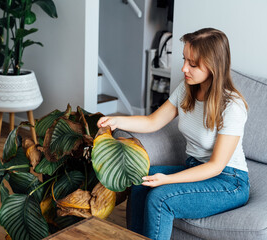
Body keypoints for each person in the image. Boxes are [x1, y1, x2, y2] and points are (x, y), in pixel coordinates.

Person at [97, 28, 250, 240]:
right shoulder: (186, 89)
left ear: (214, 66)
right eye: (184, 59)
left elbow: (215, 166)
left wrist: (168, 179)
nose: (184, 68)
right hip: (194, 167)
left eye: (193, 64)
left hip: (229, 181)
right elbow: (153, 121)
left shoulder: (232, 106)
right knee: (141, 179)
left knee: (160, 197)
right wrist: (115, 120)